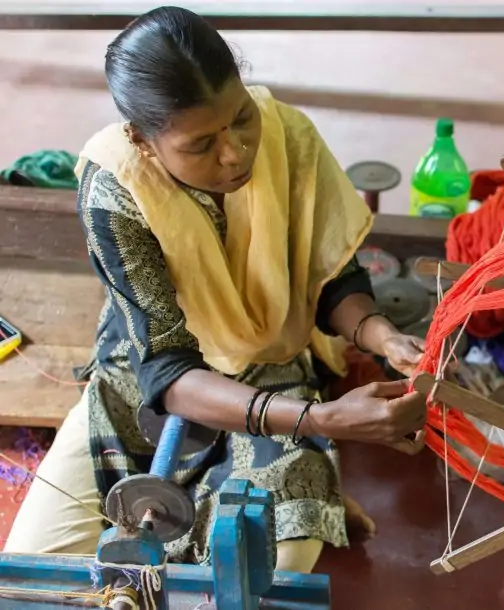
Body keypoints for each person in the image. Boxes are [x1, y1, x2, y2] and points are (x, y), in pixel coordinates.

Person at [4, 6, 429, 573]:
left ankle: (307, 490)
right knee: (33, 570)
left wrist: (381, 336)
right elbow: (167, 370)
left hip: (268, 363)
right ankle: (309, 480)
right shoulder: (115, 188)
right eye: (201, 144)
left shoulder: (288, 136)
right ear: (142, 140)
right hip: (142, 382)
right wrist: (319, 421)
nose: (236, 153)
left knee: (275, 570)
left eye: (242, 118)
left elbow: (332, 278)